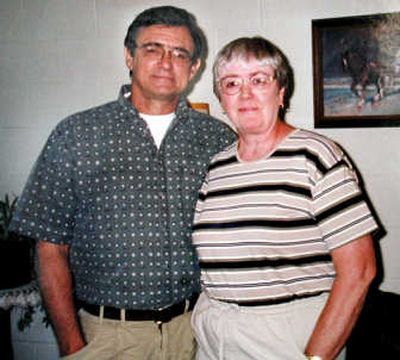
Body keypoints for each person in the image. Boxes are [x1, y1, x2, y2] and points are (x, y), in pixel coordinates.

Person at [10, 6, 235, 360]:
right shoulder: (77, 135)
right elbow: (49, 246)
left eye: (179, 54)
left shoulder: (217, 139)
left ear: (193, 68)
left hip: (196, 333)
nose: (165, 62)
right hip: (108, 337)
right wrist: (72, 344)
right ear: (129, 56)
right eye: (152, 49)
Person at [191, 36, 378, 360]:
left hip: (286, 340)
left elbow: (359, 272)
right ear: (221, 98)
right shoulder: (216, 166)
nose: (245, 93)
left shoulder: (316, 156)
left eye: (259, 80)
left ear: (281, 92)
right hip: (213, 336)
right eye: (231, 83)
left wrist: (316, 357)